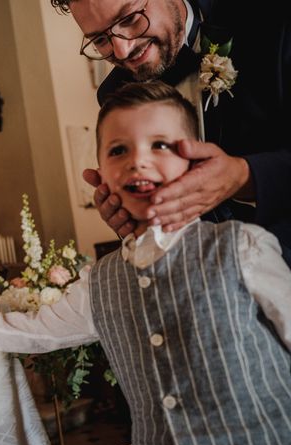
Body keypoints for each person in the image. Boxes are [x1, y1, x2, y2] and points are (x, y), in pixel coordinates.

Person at [0, 82, 291, 445]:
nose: (138, 162)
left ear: (195, 162)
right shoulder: (103, 281)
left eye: (161, 146)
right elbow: (32, 331)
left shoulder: (242, 247)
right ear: (100, 174)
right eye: (119, 150)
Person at [49, 0, 291, 266]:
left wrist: (243, 177)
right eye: (100, 39)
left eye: (130, 19)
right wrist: (134, 218)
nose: (122, 50)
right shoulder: (115, 92)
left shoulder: (274, 21)